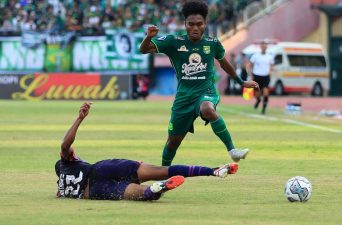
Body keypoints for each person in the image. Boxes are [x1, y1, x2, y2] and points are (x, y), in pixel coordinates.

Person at [139, 0, 259, 166]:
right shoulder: (173, 42)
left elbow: (224, 63)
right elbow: (143, 49)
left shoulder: (212, 43)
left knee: (207, 108)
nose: (195, 28)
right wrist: (149, 37)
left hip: (206, 92)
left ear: (205, 24)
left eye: (199, 24)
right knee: (173, 143)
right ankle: (163, 174)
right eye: (191, 24)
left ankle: (232, 150)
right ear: (185, 24)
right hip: (183, 99)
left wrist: (241, 81)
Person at [55, 102, 239, 201]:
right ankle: (213, 171)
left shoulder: (61, 190)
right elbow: (65, 145)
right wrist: (79, 119)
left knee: (137, 193)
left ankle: (156, 189)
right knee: (162, 170)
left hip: (94, 191)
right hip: (101, 169)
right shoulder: (65, 163)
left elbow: (60, 195)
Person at [248, 40, 275, 115]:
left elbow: (272, 65)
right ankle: (258, 100)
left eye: (265, 45)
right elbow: (250, 65)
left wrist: (271, 71)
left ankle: (263, 109)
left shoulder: (270, 56)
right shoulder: (256, 55)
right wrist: (251, 74)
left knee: (266, 92)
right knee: (257, 93)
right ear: (260, 46)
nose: (263, 47)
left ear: (266, 47)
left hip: (266, 76)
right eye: (262, 45)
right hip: (257, 75)